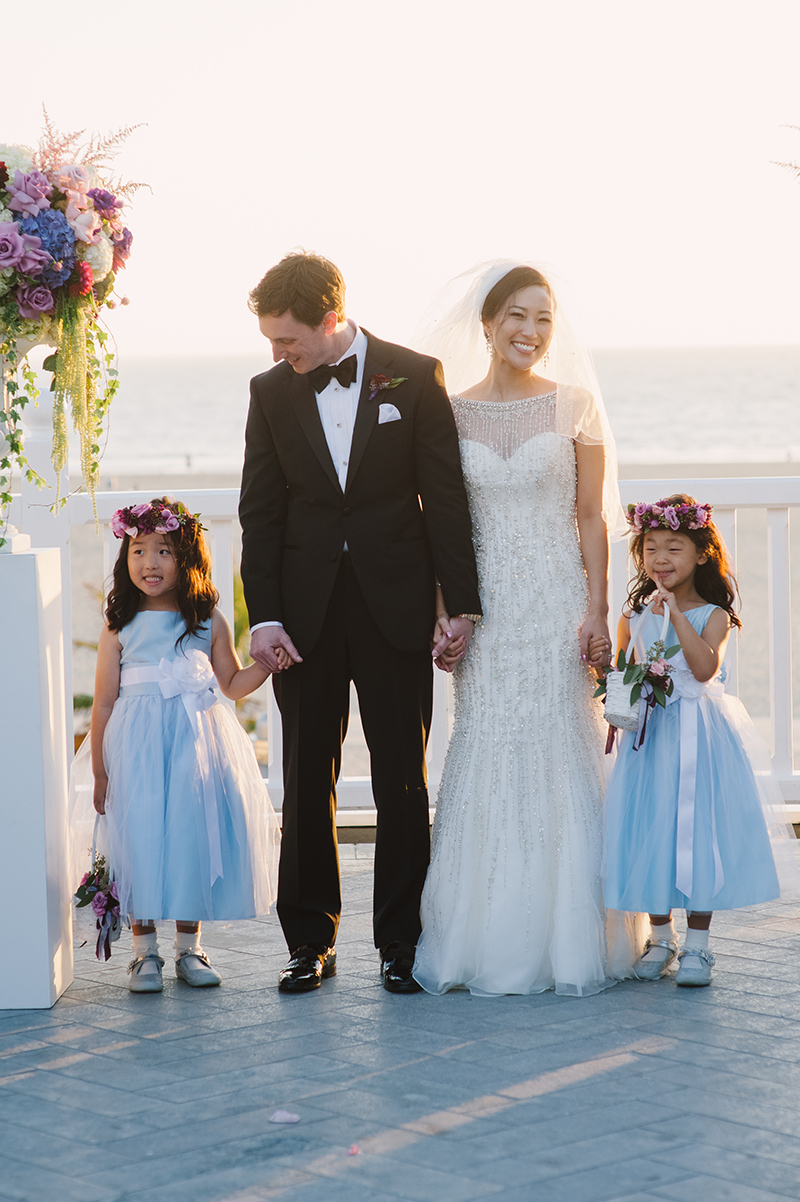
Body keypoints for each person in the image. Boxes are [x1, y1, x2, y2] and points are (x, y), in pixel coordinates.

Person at [239, 252, 481, 994]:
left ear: (331, 317)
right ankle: (309, 941)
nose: (280, 354)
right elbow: (261, 509)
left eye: (289, 339)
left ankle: (401, 943)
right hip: (304, 617)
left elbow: (444, 500)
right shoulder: (270, 391)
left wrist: (461, 604)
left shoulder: (416, 374)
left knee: (402, 781)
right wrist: (266, 616)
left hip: (396, 605)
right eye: (272, 341)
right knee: (307, 779)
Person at [412, 261, 640, 996]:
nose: (531, 332)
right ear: (488, 323)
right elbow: (442, 524)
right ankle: (483, 936)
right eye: (517, 315)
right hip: (488, 610)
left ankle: (570, 939)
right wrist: (448, 611)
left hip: (554, 601)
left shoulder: (574, 406)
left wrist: (598, 611)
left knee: (558, 745)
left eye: (543, 319)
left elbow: (591, 518)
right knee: (487, 744)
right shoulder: (449, 412)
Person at [70, 497, 280, 993]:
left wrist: (267, 663)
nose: (149, 563)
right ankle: (144, 954)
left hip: (196, 743)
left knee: (190, 834)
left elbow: (229, 683)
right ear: (125, 559)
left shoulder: (208, 619)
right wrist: (101, 771)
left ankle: (190, 948)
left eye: (163, 551)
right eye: (138, 550)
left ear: (186, 558)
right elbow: (103, 704)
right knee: (139, 835)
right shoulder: (118, 624)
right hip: (138, 747)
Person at [602, 496, 796, 986]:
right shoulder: (633, 614)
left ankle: (700, 947)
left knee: (697, 832)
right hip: (650, 742)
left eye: (675, 548)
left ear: (701, 555)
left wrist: (673, 613)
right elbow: (625, 671)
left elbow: (705, 667)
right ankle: (662, 937)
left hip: (699, 738)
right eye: (651, 548)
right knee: (650, 830)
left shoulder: (714, 614)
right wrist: (607, 672)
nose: (661, 559)